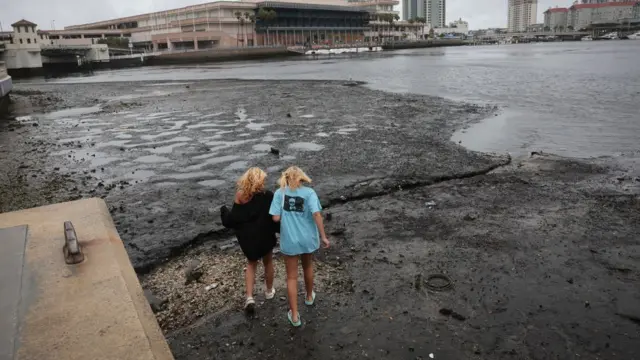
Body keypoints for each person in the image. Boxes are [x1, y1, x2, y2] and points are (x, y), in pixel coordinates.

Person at [269, 166, 330, 327]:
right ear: (302, 178)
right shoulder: (309, 193)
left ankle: (295, 315)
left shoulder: (279, 193)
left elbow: (275, 218)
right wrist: (323, 236)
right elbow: (316, 214)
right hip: (307, 238)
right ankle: (309, 297)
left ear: (286, 178)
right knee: (308, 266)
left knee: (291, 277)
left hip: (290, 240)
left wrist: (285, 216)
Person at [220, 167, 278, 313]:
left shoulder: (240, 195)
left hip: (248, 238)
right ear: (260, 180)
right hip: (265, 234)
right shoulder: (268, 195)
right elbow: (274, 216)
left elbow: (234, 218)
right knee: (268, 262)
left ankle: (250, 297)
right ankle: (269, 291)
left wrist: (223, 211)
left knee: (251, 265)